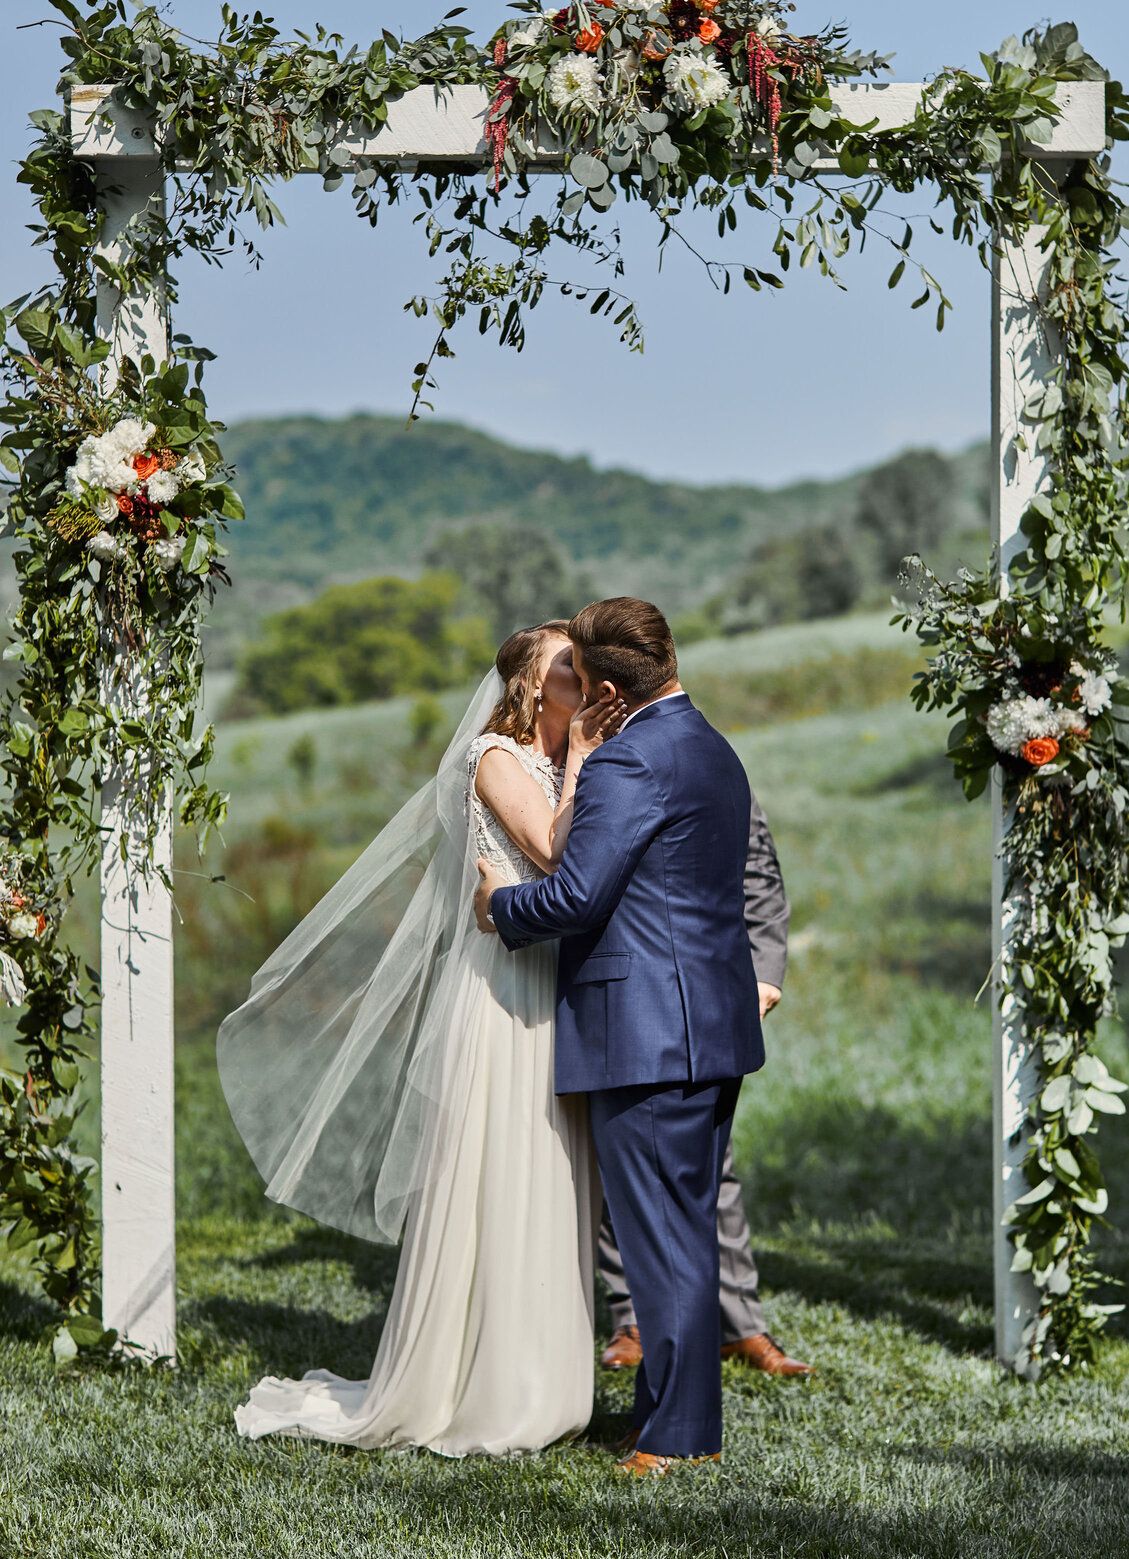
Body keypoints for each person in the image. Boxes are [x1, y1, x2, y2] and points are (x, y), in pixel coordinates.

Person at [217, 622, 622, 1454]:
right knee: (502, 1166)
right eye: (566, 669)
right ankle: (478, 1384)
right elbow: (553, 850)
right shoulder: (495, 759)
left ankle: (547, 1381)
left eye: (582, 669)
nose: (582, 680)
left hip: (555, 986)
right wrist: (583, 754)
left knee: (550, 1171)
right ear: (529, 687)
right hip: (506, 991)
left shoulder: (558, 759)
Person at [477, 597, 766, 1477]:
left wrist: (497, 906)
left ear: (604, 687)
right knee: (682, 1232)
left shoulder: (629, 761)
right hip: (710, 1023)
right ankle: (681, 1423)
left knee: (658, 1242)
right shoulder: (712, 745)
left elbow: (575, 899)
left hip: (647, 1030)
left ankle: (677, 1438)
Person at [596, 792, 812, 1380]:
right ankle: (632, 1316)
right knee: (620, 1162)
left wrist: (764, 973)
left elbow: (758, 870)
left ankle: (739, 1324)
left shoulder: (710, 757)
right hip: (621, 991)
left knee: (713, 1163)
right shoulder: (590, 759)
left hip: (707, 997)